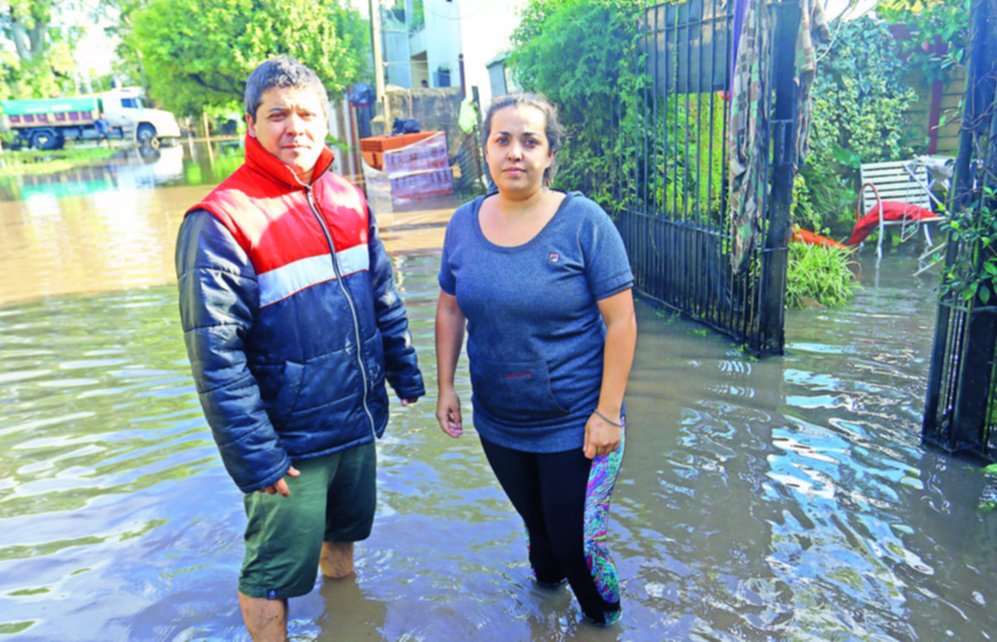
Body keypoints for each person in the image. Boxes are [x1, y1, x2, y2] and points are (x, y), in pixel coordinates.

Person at [175, 55, 425, 641]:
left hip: (355, 423)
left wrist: (405, 374)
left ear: (326, 120)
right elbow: (216, 360)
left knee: (345, 537)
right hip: (288, 445)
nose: (295, 127)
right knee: (272, 574)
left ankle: (346, 623)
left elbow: (382, 294)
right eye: (278, 115)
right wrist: (255, 457)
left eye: (307, 113)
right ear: (250, 124)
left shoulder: (348, 200)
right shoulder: (220, 220)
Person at [434, 93, 637, 626]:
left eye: (530, 141)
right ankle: (544, 621)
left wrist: (608, 414)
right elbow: (450, 307)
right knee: (542, 546)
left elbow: (621, 322)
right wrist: (446, 387)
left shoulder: (584, 223)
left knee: (578, 551)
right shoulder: (462, 223)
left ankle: (606, 624)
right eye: (502, 140)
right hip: (500, 422)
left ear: (550, 154)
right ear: (485, 150)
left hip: (578, 423)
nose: (515, 153)